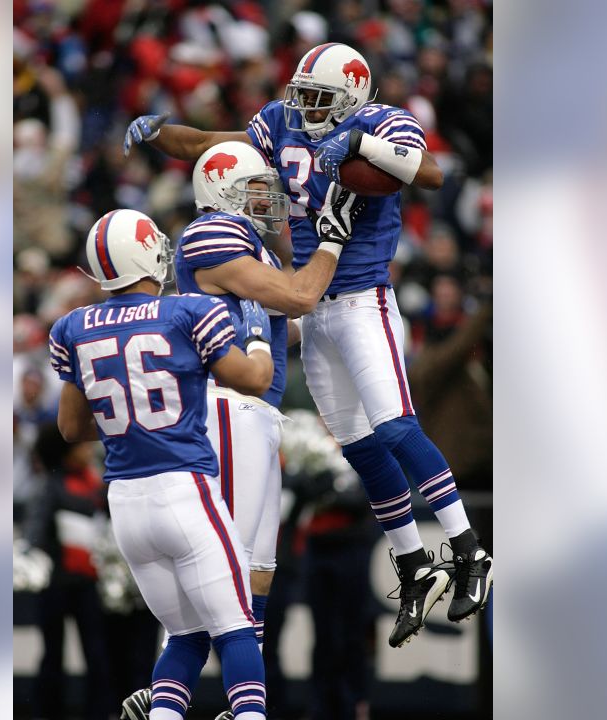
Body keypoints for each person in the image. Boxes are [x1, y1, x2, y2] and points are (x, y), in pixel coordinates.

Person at [124, 42, 493, 648]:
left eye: (320, 99)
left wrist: (361, 146)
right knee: (359, 446)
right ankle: (412, 561)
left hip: (365, 300)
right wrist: (163, 132)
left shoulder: (380, 121)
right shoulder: (283, 122)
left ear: (351, 96)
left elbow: (430, 172)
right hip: (314, 307)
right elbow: (217, 146)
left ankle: (467, 549)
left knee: (397, 429)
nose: (306, 109)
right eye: (303, 96)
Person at [120, 141, 360, 720]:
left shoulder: (248, 245)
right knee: (224, 572)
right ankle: (193, 702)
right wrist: (331, 239)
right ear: (222, 191)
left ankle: (191, 699)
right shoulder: (213, 236)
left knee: (255, 576)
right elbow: (301, 297)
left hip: (257, 413)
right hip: (229, 405)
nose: (268, 199)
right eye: (256, 187)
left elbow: (289, 316)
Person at [51, 208, 276, 720]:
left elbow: (71, 428)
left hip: (126, 504)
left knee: (185, 636)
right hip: (184, 489)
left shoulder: (73, 326)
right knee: (237, 627)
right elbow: (254, 380)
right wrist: (260, 341)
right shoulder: (186, 311)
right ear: (147, 253)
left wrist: (127, 419)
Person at [26, 423, 111, 720]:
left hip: (89, 585)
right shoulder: (50, 486)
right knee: (53, 657)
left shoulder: (96, 483)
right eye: (82, 445)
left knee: (97, 656)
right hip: (55, 587)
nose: (89, 450)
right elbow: (35, 535)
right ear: (65, 452)